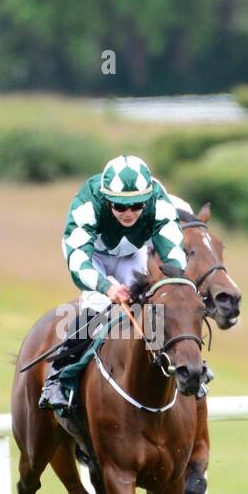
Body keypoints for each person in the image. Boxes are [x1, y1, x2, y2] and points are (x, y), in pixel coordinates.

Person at [37, 154, 189, 411]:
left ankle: (178, 364)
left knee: (150, 305)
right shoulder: (88, 200)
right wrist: (106, 287)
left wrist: (174, 286)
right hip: (92, 256)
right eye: (120, 207)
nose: (128, 213)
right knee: (97, 305)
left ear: (147, 199)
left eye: (137, 206)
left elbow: (174, 252)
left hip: (133, 254)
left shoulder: (158, 199)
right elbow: (77, 260)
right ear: (107, 200)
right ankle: (58, 377)